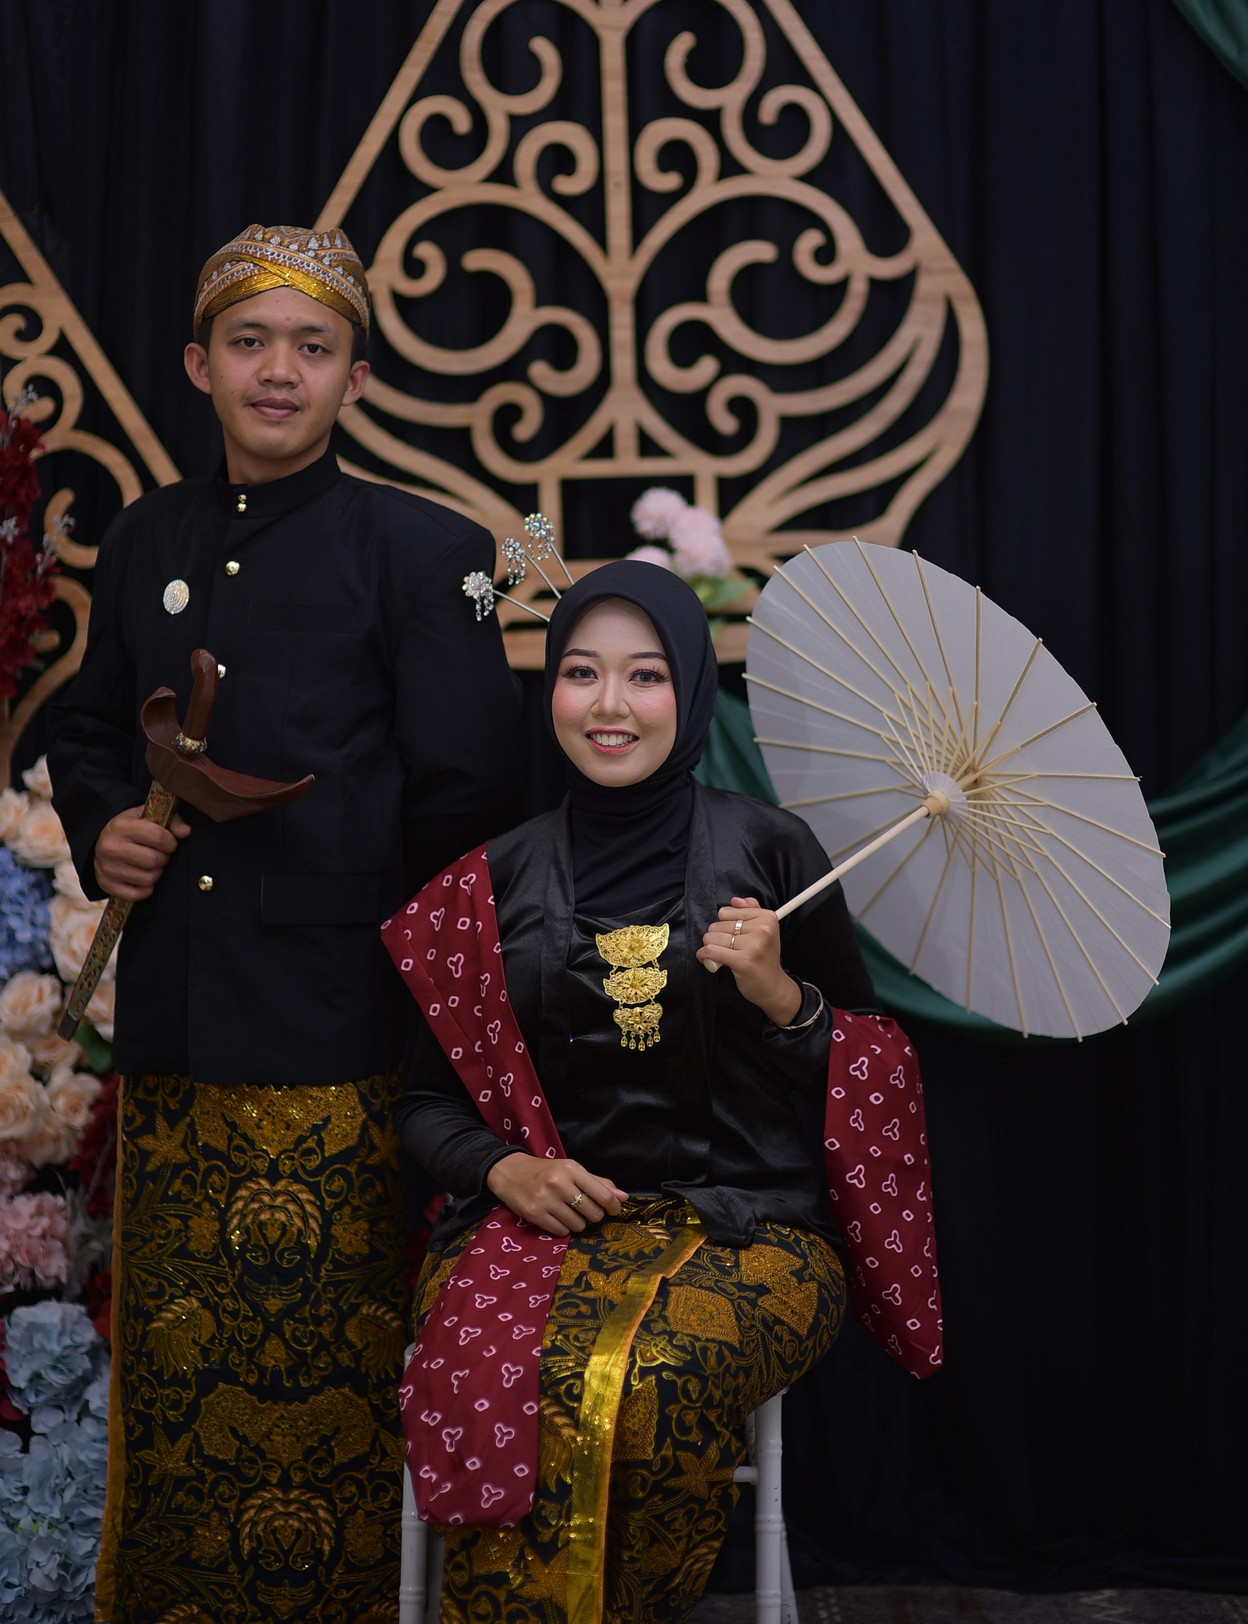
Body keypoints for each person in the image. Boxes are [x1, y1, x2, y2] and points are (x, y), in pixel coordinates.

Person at [48, 222, 522, 1624]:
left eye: (312, 348)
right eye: (249, 343)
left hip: (341, 1043)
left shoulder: (428, 552)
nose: (278, 371)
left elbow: (468, 801)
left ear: (355, 380)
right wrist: (104, 827)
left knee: (328, 1379)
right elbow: (89, 730)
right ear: (199, 365)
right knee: (181, 1375)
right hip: (179, 1034)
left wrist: (402, 974)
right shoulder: (147, 539)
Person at [391, 560, 902, 1624]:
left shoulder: (772, 853)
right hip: (537, 1226)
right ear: (550, 691)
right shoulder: (488, 883)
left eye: (647, 675)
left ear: (693, 692)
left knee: (650, 1377)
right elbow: (422, 1105)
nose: (610, 705)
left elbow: (871, 1072)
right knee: (512, 1369)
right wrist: (506, 1169)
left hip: (752, 1230)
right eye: (581, 672)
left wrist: (780, 995)